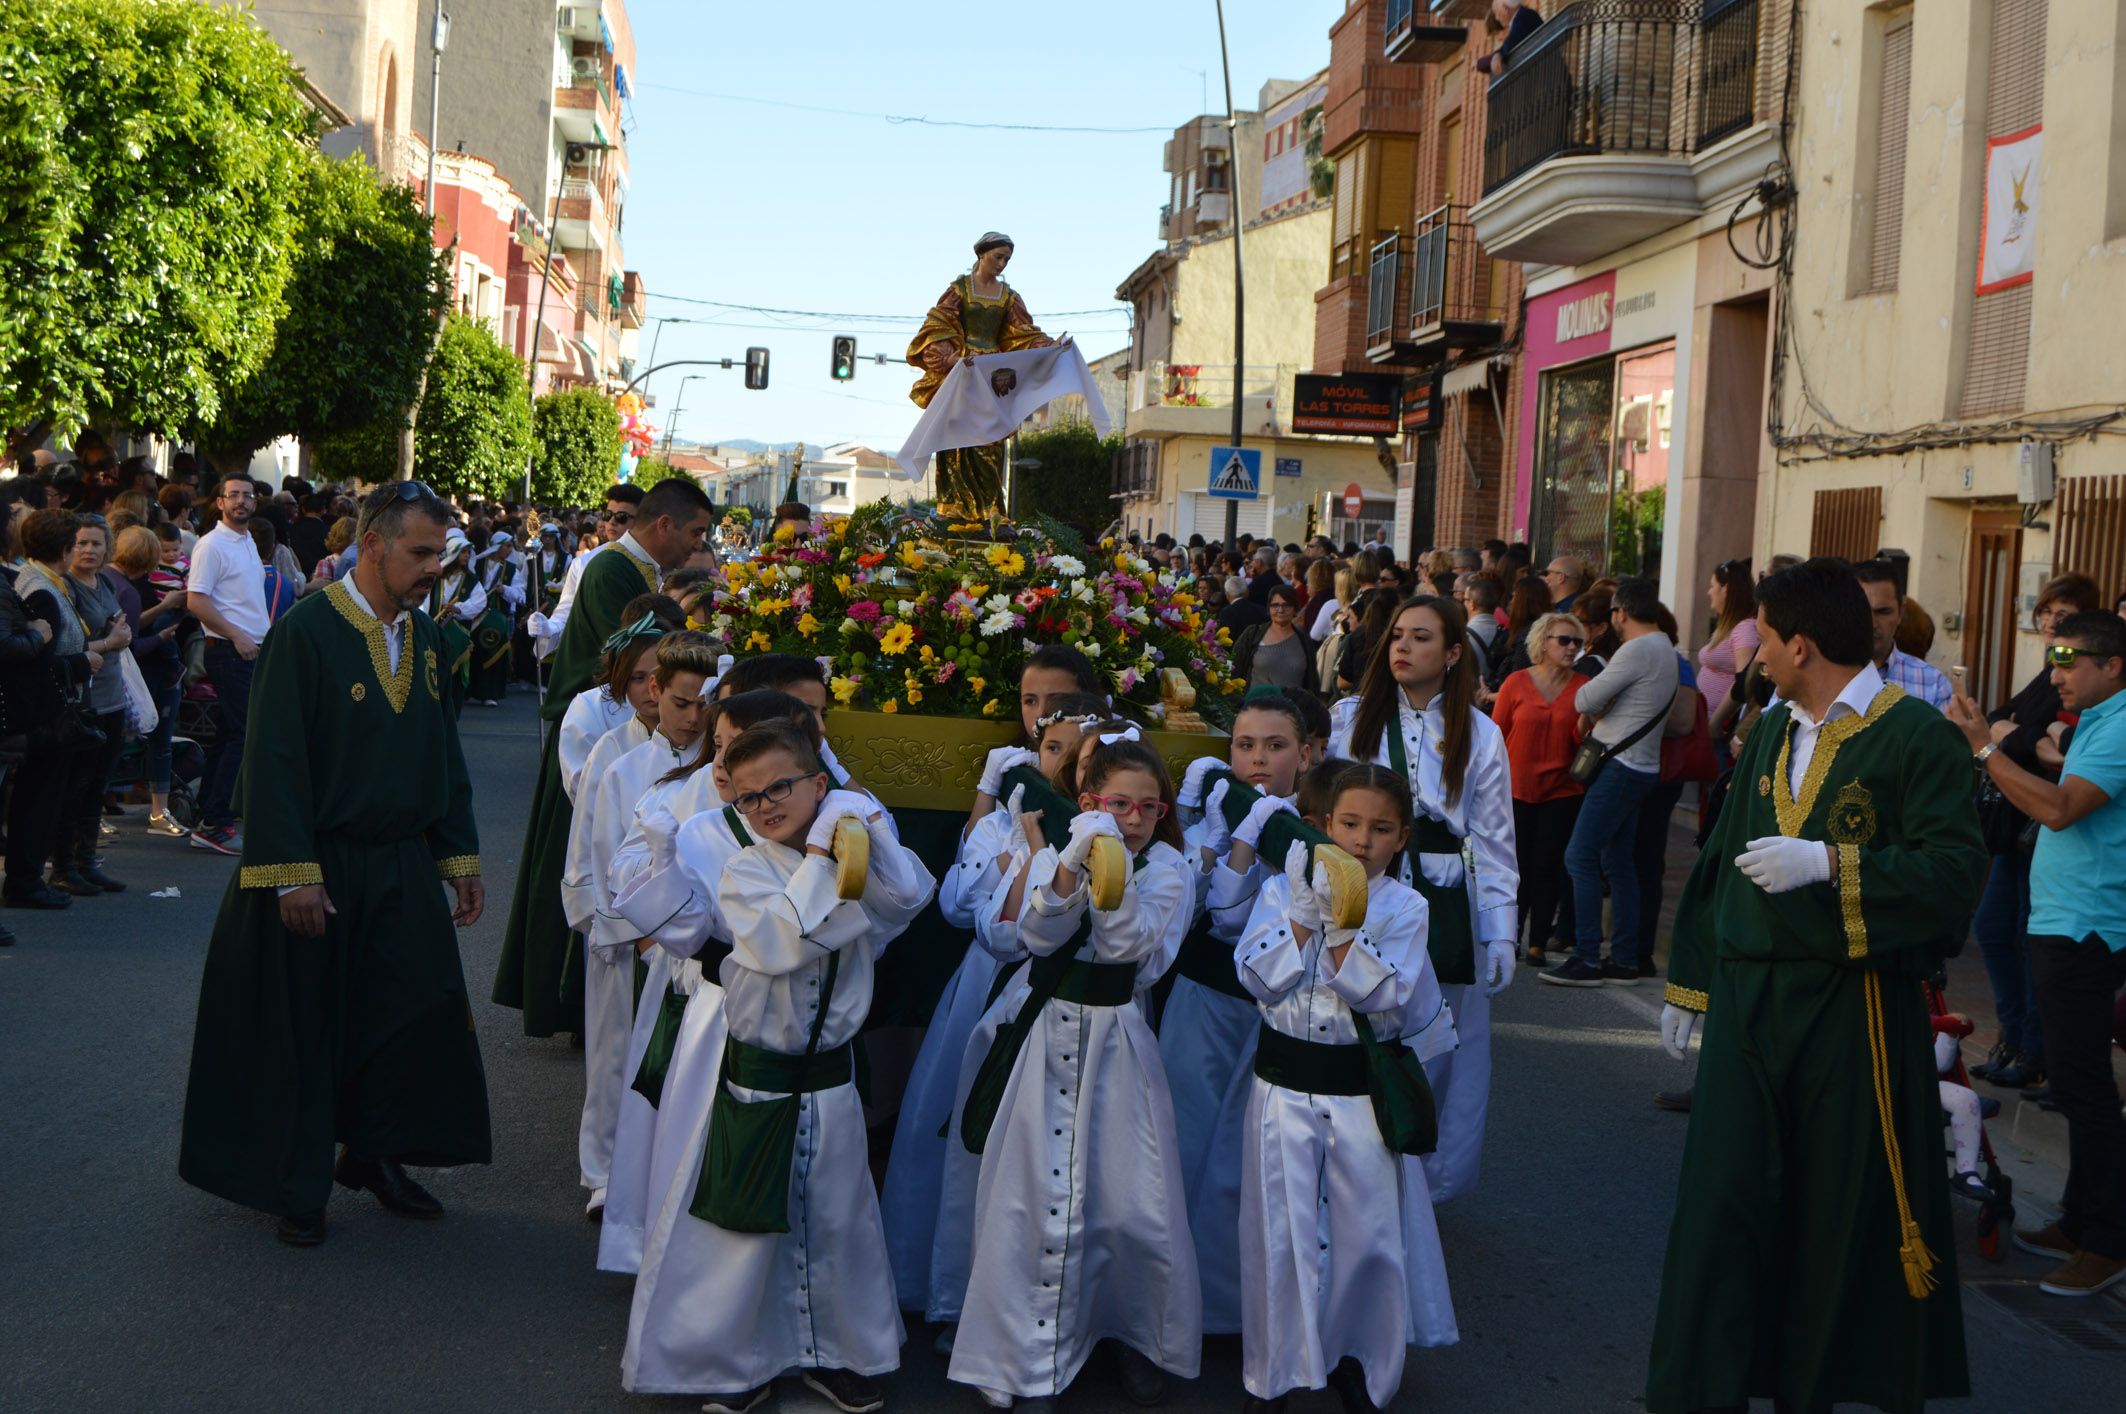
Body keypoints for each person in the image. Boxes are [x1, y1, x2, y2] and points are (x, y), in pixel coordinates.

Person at [1648, 557, 1982, 1412]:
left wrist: (1833, 863)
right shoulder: (1769, 728)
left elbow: (1951, 878)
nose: (1752, 660)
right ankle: (1710, 1389)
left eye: (1763, 645)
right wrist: (1692, 987)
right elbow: (1721, 858)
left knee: (1835, 1213)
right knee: (1727, 1201)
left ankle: (1813, 1391)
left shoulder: (1918, 737)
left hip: (1852, 1011)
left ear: (1800, 646)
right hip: (1751, 1010)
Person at [177, 481, 490, 1248]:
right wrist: (292, 872)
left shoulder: (424, 638)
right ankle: (297, 1182)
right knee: (303, 1028)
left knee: (407, 1012)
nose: (432, 569)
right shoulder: (308, 632)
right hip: (316, 865)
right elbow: (274, 756)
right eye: (420, 553)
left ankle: (374, 1156)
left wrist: (457, 855)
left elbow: (440, 755)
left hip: (400, 865)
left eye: (439, 555)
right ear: (375, 544)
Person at [621, 722, 933, 1412]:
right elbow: (776, 941)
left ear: (820, 785)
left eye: (782, 788)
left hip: (830, 1075)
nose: (766, 805)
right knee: (744, 1221)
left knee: (834, 1217)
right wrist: (823, 857)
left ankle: (838, 1352)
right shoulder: (746, 869)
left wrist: (869, 822)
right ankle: (733, 1360)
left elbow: (906, 897)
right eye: (751, 796)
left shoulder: (850, 847)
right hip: (758, 1070)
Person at [948, 734, 1199, 1412]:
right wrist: (1067, 867)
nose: (1136, 817)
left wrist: (1113, 874)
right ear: (1089, 804)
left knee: (1124, 1199)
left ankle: (1129, 1334)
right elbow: (1035, 938)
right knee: (1025, 1193)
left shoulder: (1171, 868)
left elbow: (1135, 955)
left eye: (1151, 806)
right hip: (1040, 1031)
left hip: (1116, 1038)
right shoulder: (1063, 852)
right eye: (1120, 804)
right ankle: (1017, 1354)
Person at [1235, 764, 1458, 1414]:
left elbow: (1388, 991)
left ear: (1402, 837)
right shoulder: (1282, 891)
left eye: (1380, 828)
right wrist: (1302, 919)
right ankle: (1270, 1374)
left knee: (1368, 1235)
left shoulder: (1406, 907)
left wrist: (1339, 938)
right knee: (1280, 1233)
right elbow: (1257, 979)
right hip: (1282, 1089)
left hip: (1359, 1094)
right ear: (1325, 826)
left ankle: (1359, 1360)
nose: (1362, 840)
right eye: (1350, 824)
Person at [494, 475, 713, 1039]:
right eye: (694, 532)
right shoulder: (613, 568)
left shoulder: (636, 568)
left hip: (635, 734)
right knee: (594, 866)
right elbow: (637, 657)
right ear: (663, 525)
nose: (695, 545)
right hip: (602, 732)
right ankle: (571, 1000)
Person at [1948, 611, 2126, 1298]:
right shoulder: (2099, 720)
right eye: (2053, 661)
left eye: (2071, 662)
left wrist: (1983, 751)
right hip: (2066, 918)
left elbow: (2058, 811)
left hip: (2087, 926)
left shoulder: (2117, 723)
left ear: (2113, 665)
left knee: (2084, 1089)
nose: (2055, 676)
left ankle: (2107, 1244)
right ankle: (2082, 1223)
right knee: (2079, 1086)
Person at [1330, 595, 1518, 1204]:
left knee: (1437, 1047)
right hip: (1363, 893)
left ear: (1454, 652)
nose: (1403, 648)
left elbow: (1493, 843)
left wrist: (1502, 930)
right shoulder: (1349, 719)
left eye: (1420, 638)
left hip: (1444, 906)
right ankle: (1345, 1167)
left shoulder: (1481, 735)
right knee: (1351, 1026)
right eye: (1396, 637)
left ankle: (1419, 1181)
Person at [1966, 573, 2104, 1091]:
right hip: (2016, 821)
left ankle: (2031, 1047)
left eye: (2063, 616)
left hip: (2045, 819)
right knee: (1994, 928)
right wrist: (2017, 734)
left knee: (2026, 934)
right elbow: (2006, 722)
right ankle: (2013, 1034)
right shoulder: (2050, 670)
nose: (2050, 622)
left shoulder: (2081, 680)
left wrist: (2006, 737)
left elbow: (2038, 739)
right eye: (2047, 612)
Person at [1545, 577, 1677, 987]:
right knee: (1617, 863)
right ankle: (1623, 959)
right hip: (1641, 767)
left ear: (1620, 613)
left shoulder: (1637, 649)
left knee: (1580, 856)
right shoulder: (1667, 650)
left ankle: (1586, 957)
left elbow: (1583, 700)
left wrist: (1600, 702)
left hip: (1620, 766)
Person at [906, 232, 1055, 517]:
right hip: (964, 372)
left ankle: (990, 510)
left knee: (990, 442)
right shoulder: (960, 290)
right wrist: (949, 356)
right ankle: (954, 508)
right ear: (981, 255)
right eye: (998, 257)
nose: (1002, 264)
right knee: (956, 440)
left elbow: (1022, 333)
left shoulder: (1009, 297)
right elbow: (938, 322)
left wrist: (1047, 346)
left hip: (992, 378)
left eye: (1007, 260)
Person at [1492, 611, 1587, 968]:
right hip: (1514, 789)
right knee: (1516, 867)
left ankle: (1537, 942)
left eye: (1577, 642)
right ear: (1543, 643)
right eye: (1564, 640)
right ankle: (1510, 935)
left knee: (1548, 866)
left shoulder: (1583, 687)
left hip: (1563, 789)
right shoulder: (1516, 683)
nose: (1571, 648)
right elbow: (1495, 735)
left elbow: (1583, 741)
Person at [186, 471, 272, 856]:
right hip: (229, 649)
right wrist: (237, 635)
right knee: (242, 733)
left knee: (228, 734)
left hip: (250, 649)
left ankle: (208, 812)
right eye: (233, 495)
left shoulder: (247, 539)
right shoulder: (211, 545)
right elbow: (196, 601)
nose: (241, 501)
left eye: (247, 495)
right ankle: (215, 823)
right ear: (219, 502)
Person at [7, 510, 85, 910]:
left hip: (43, 713)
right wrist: (92, 658)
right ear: (66, 549)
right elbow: (40, 662)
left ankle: (31, 877)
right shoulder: (40, 589)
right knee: (37, 802)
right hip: (42, 716)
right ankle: (25, 880)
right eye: (79, 544)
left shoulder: (45, 583)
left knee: (40, 800)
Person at [52, 516, 130, 895]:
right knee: (77, 785)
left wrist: (120, 636)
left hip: (113, 694)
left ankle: (87, 861)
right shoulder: (64, 587)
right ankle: (64, 867)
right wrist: (111, 641)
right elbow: (67, 647)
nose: (89, 550)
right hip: (83, 699)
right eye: (82, 543)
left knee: (98, 784)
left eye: (96, 544)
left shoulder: (104, 582)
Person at [110, 525, 186, 836]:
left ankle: (158, 809)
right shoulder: (124, 587)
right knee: (136, 740)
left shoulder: (120, 582)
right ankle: (156, 810)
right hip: (140, 670)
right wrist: (163, 623)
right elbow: (131, 638)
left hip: (147, 669)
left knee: (151, 740)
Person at [1855, 560, 1952, 710]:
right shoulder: (1820, 675)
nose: (1872, 624)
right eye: (1862, 612)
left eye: (1883, 612)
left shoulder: (1933, 683)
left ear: (1901, 613)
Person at [1697, 557, 1759, 748]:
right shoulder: (1729, 627)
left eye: (1712, 585)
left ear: (1726, 590)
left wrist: (1715, 721)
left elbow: (1745, 682)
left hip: (1719, 732)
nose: (1709, 592)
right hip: (1706, 727)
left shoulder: (1745, 629)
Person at [1231, 581, 1318, 694]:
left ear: (1295, 608)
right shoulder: (1253, 634)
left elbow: (1312, 682)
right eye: (1275, 605)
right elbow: (1234, 669)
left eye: (1286, 605)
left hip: (1293, 709)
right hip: (1256, 707)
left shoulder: (1305, 642)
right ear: (1269, 607)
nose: (1280, 610)